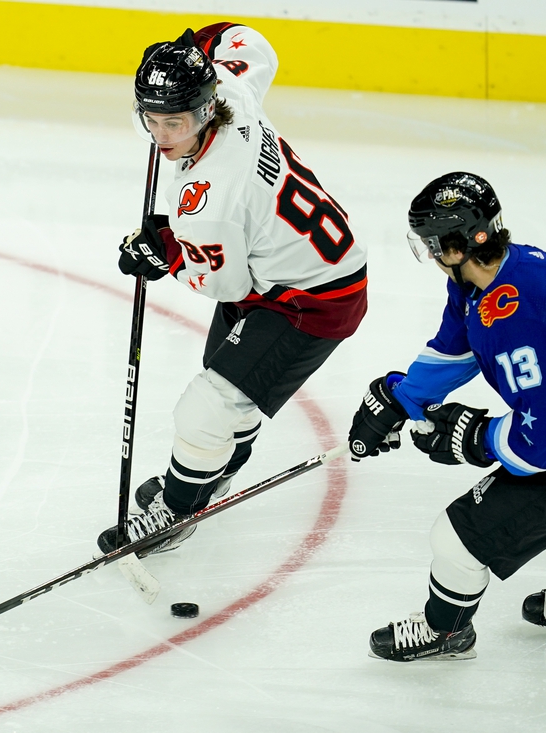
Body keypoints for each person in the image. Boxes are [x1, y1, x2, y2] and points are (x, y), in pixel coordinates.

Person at [348, 172, 546, 662]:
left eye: (434, 244)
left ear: (457, 246)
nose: (432, 255)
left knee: (456, 538)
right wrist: (403, 398)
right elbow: (458, 346)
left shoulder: (519, 316)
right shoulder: (503, 271)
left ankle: (447, 632)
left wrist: (476, 437)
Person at [97, 25, 367, 555]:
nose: (160, 133)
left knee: (209, 407)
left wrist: (166, 254)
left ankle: (175, 511)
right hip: (290, 265)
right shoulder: (229, 87)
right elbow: (250, 43)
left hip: (309, 299)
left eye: (173, 121)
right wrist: (196, 44)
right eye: (150, 118)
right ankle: (212, 476)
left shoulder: (207, 198)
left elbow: (225, 282)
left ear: (203, 112)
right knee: (230, 394)